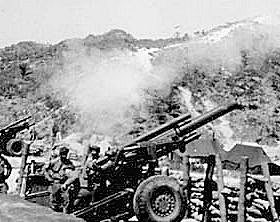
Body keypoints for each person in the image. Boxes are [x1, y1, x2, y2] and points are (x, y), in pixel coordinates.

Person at [44, 146, 79, 213]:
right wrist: (49, 178)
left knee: (65, 201)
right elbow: (45, 169)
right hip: (55, 183)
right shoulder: (54, 162)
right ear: (60, 154)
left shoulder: (69, 163)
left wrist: (67, 183)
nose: (64, 156)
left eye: (65, 154)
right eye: (62, 154)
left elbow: (73, 174)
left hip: (64, 184)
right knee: (54, 201)